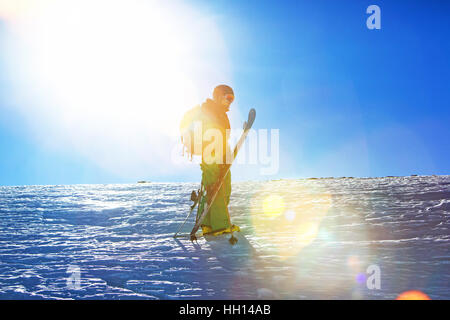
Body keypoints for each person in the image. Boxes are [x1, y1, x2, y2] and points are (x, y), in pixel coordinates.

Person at [195, 85, 240, 236]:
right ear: (218, 96)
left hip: (219, 153)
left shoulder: (220, 113)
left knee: (216, 186)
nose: (230, 102)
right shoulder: (209, 110)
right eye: (228, 98)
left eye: (232, 99)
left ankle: (207, 224)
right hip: (212, 153)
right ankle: (220, 225)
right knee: (218, 185)